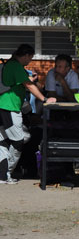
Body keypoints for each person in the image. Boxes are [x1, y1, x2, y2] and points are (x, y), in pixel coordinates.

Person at [0, 44, 56, 184]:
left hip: (6, 105)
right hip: (9, 106)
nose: (29, 61)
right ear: (25, 55)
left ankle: (2, 174)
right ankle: (6, 173)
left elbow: (20, 82)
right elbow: (29, 85)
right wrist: (44, 99)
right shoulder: (16, 66)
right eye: (30, 58)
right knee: (18, 140)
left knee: (4, 140)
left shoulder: (11, 65)